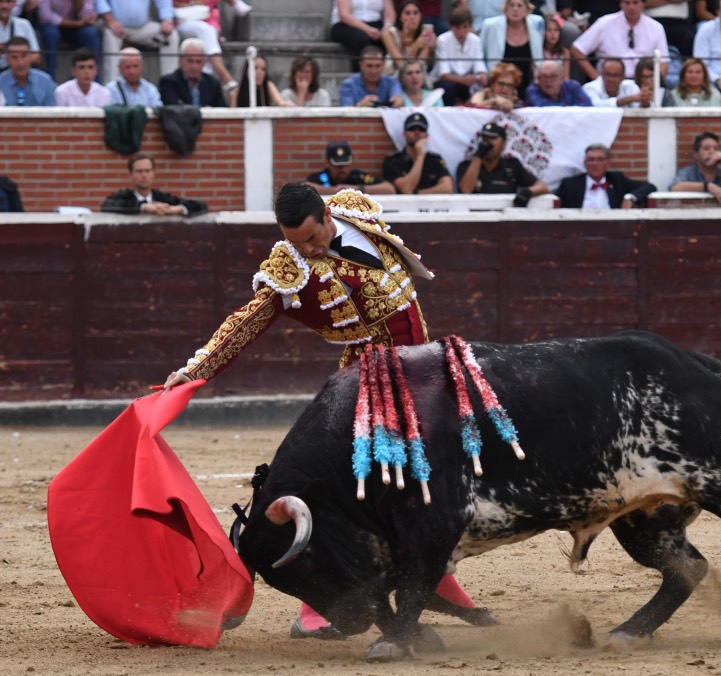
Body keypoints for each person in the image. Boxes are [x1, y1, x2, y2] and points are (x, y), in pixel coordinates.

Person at [159, 182, 496, 640]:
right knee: (350, 490)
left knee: (421, 484)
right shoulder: (291, 266)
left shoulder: (355, 210)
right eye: (297, 242)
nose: (309, 250)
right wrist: (196, 369)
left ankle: (437, 579)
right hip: (369, 383)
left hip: (419, 374)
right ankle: (315, 608)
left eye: (313, 238)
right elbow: (247, 320)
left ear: (327, 216)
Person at [571, 0, 670, 82]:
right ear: (620, 4)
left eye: (635, 2)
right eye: (627, 3)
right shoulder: (604, 23)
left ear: (643, 3)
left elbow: (664, 62)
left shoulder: (656, 27)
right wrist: (596, 78)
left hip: (643, 82)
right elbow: (577, 49)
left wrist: (653, 84)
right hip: (610, 83)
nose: (631, 7)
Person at [456, 121, 550, 206]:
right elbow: (466, 190)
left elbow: (542, 187)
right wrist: (479, 155)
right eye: (485, 139)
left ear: (503, 144)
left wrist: (528, 192)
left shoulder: (512, 165)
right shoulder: (466, 166)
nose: (488, 143)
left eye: (492, 138)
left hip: (506, 215)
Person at [95, 0, 180, 83]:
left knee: (171, 37)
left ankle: (170, 85)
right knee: (109, 35)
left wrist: (167, 19)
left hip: (143, 27)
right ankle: (111, 86)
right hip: (115, 25)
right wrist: (109, 20)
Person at [101, 151, 208, 215]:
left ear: (153, 174)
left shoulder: (162, 198)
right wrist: (144, 207)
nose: (144, 175)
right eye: (139, 171)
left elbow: (201, 205)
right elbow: (106, 206)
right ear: (131, 175)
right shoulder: (123, 197)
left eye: (147, 171)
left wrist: (177, 209)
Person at [556, 143, 657, 208]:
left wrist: (629, 198)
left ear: (608, 163)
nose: (595, 163)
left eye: (600, 159)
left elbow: (650, 187)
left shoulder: (617, 180)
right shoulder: (570, 184)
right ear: (585, 163)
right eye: (591, 159)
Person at [479, 0, 545, 100]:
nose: (515, 9)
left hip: (527, 82)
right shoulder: (490, 25)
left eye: (519, 6)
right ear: (506, 8)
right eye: (511, 5)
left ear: (527, 9)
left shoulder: (537, 23)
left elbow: (538, 55)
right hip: (499, 83)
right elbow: (480, 53)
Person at [172, 0, 237, 93]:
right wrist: (194, 3)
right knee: (205, 30)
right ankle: (225, 77)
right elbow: (175, 4)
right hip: (180, 22)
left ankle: (205, 88)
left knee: (209, 33)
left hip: (207, 23)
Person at [669, 130, 721, 204]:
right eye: (706, 148)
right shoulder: (690, 172)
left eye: (715, 148)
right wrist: (707, 186)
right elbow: (674, 188)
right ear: (696, 155)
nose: (712, 151)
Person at [382, 112, 453, 194]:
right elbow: (407, 189)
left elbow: (447, 188)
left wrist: (419, 193)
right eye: (412, 129)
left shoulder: (435, 159)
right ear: (404, 134)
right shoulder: (392, 161)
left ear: (426, 135)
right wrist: (420, 156)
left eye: (421, 129)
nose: (417, 133)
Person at [431, 7, 487, 106]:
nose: (461, 31)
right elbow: (443, 74)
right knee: (449, 88)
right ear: (451, 27)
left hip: (466, 82)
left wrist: (482, 75)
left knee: (480, 88)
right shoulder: (442, 40)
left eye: (465, 27)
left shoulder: (476, 40)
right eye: (458, 27)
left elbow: (479, 65)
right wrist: (464, 80)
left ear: (470, 26)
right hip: (444, 82)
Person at [37, 0, 102, 80]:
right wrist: (75, 24)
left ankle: (94, 80)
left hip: (76, 27)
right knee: (51, 34)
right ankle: (50, 78)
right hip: (52, 26)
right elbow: (45, 16)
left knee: (90, 34)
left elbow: (88, 16)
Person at [306, 141, 396, 196]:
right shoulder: (322, 177)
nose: (342, 170)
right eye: (337, 166)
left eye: (345, 165)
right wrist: (335, 191)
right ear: (328, 162)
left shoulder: (358, 176)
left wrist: (357, 189)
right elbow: (306, 188)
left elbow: (389, 189)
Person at [158, 37, 228, 107]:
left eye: (198, 62)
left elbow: (222, 110)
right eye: (190, 61)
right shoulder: (169, 83)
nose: (194, 66)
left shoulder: (213, 83)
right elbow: (174, 109)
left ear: (204, 62)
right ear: (180, 60)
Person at [330, 0, 396, 70]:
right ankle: (360, 73)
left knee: (388, 38)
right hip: (347, 24)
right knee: (360, 40)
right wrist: (367, 29)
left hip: (376, 22)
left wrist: (386, 27)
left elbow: (389, 13)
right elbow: (344, 15)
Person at [338, 45, 403, 107]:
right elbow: (345, 110)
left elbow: (396, 96)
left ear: (384, 65)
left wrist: (397, 101)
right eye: (369, 66)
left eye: (377, 66)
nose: (373, 71)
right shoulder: (348, 85)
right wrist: (360, 106)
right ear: (361, 65)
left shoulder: (392, 81)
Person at [0, 36, 56, 105]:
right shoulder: (0, 82)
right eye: (14, 57)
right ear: (7, 58)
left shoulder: (45, 81)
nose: (20, 62)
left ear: (30, 56)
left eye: (23, 56)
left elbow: (53, 110)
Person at [383, 0, 435, 73]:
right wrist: (416, 45)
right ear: (400, 17)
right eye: (407, 13)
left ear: (421, 16)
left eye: (415, 13)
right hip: (393, 75)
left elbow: (421, 67)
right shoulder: (389, 33)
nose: (412, 17)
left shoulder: (426, 33)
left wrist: (428, 45)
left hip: (417, 76)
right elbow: (400, 64)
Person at [524, 58, 591, 105]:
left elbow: (587, 106)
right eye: (544, 76)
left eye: (553, 76)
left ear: (561, 78)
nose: (548, 81)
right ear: (538, 79)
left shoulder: (573, 86)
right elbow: (546, 110)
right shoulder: (533, 90)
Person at [1, 0, 41, 71]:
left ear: (14, 3)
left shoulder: (24, 24)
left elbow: (36, 57)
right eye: (0, 2)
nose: (4, 6)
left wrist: (17, 57)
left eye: (8, 1)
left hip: (18, 72)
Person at [542, 14, 570, 80]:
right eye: (549, 30)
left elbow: (566, 77)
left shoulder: (565, 52)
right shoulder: (539, 51)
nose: (553, 33)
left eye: (556, 30)